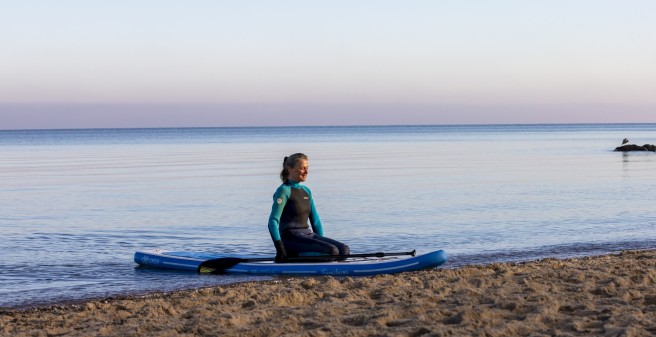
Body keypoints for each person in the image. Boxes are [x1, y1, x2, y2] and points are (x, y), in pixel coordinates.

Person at [267, 153, 350, 262]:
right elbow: (272, 221)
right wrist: (280, 248)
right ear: (290, 169)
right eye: (302, 168)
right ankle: (292, 256)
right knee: (332, 251)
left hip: (308, 236)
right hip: (290, 239)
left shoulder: (306, 191)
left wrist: (322, 244)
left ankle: (335, 268)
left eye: (307, 168)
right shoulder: (283, 191)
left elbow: (315, 221)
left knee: (344, 250)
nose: (306, 172)